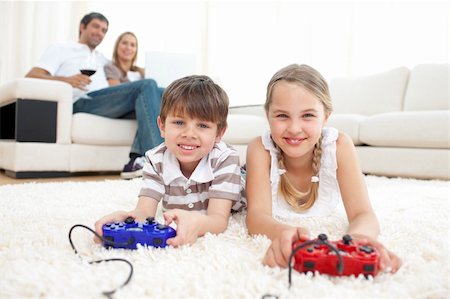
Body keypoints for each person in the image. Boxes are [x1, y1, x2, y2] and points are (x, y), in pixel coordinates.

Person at [245, 64, 401, 272]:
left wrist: (359, 238)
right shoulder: (259, 149)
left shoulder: (339, 146)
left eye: (308, 115)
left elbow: (363, 213)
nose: (294, 128)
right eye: (282, 116)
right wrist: (286, 232)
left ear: (326, 116)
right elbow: (256, 217)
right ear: (267, 115)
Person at [94, 75, 245, 246]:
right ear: (162, 126)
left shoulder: (225, 158)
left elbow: (218, 220)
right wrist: (127, 219)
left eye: (202, 126)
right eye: (179, 122)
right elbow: (144, 212)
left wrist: (196, 223)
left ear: (219, 133)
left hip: (239, 186)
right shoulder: (155, 159)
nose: (189, 134)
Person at [25, 12, 164, 179]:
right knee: (148, 85)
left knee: (159, 95)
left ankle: (134, 162)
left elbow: (122, 76)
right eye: (96, 27)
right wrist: (66, 80)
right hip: (83, 101)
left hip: (106, 103)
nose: (100, 33)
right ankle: (158, 163)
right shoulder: (61, 48)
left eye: (104, 30)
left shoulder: (102, 59)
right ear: (82, 27)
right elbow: (32, 75)